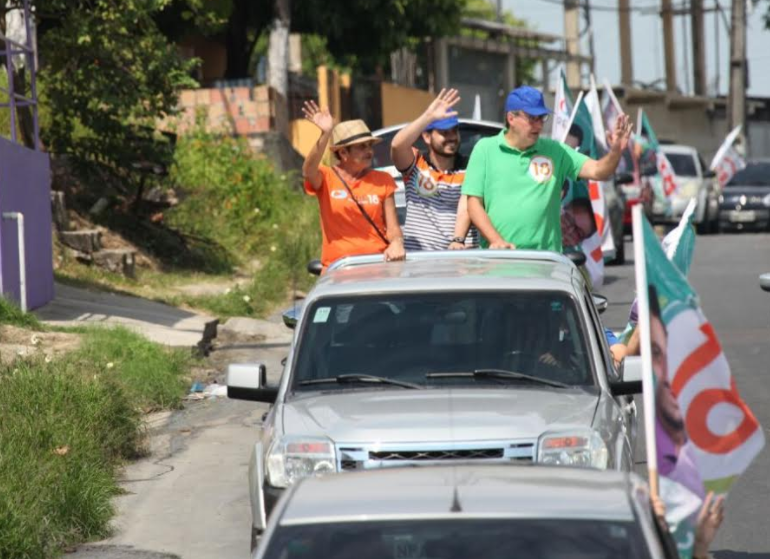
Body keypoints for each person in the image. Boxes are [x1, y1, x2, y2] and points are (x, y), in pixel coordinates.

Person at [462, 85, 633, 251]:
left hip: (545, 262)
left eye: (541, 118)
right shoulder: (485, 149)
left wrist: (615, 151)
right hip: (499, 260)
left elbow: (598, 171)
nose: (538, 125)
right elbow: (473, 204)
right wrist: (497, 241)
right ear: (511, 118)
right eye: (532, 118)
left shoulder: (555, 150)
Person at [301, 101, 405, 270]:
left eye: (370, 145)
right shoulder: (327, 177)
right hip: (339, 267)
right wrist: (325, 133)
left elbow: (393, 228)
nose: (369, 151)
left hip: (378, 264)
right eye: (362, 147)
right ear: (343, 153)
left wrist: (397, 242)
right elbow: (308, 171)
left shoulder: (383, 180)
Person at [390, 88, 478, 251]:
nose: (451, 137)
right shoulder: (416, 162)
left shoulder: (471, 166)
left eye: (454, 131)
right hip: (421, 260)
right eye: (444, 133)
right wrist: (428, 116)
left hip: (462, 259)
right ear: (427, 137)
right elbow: (397, 145)